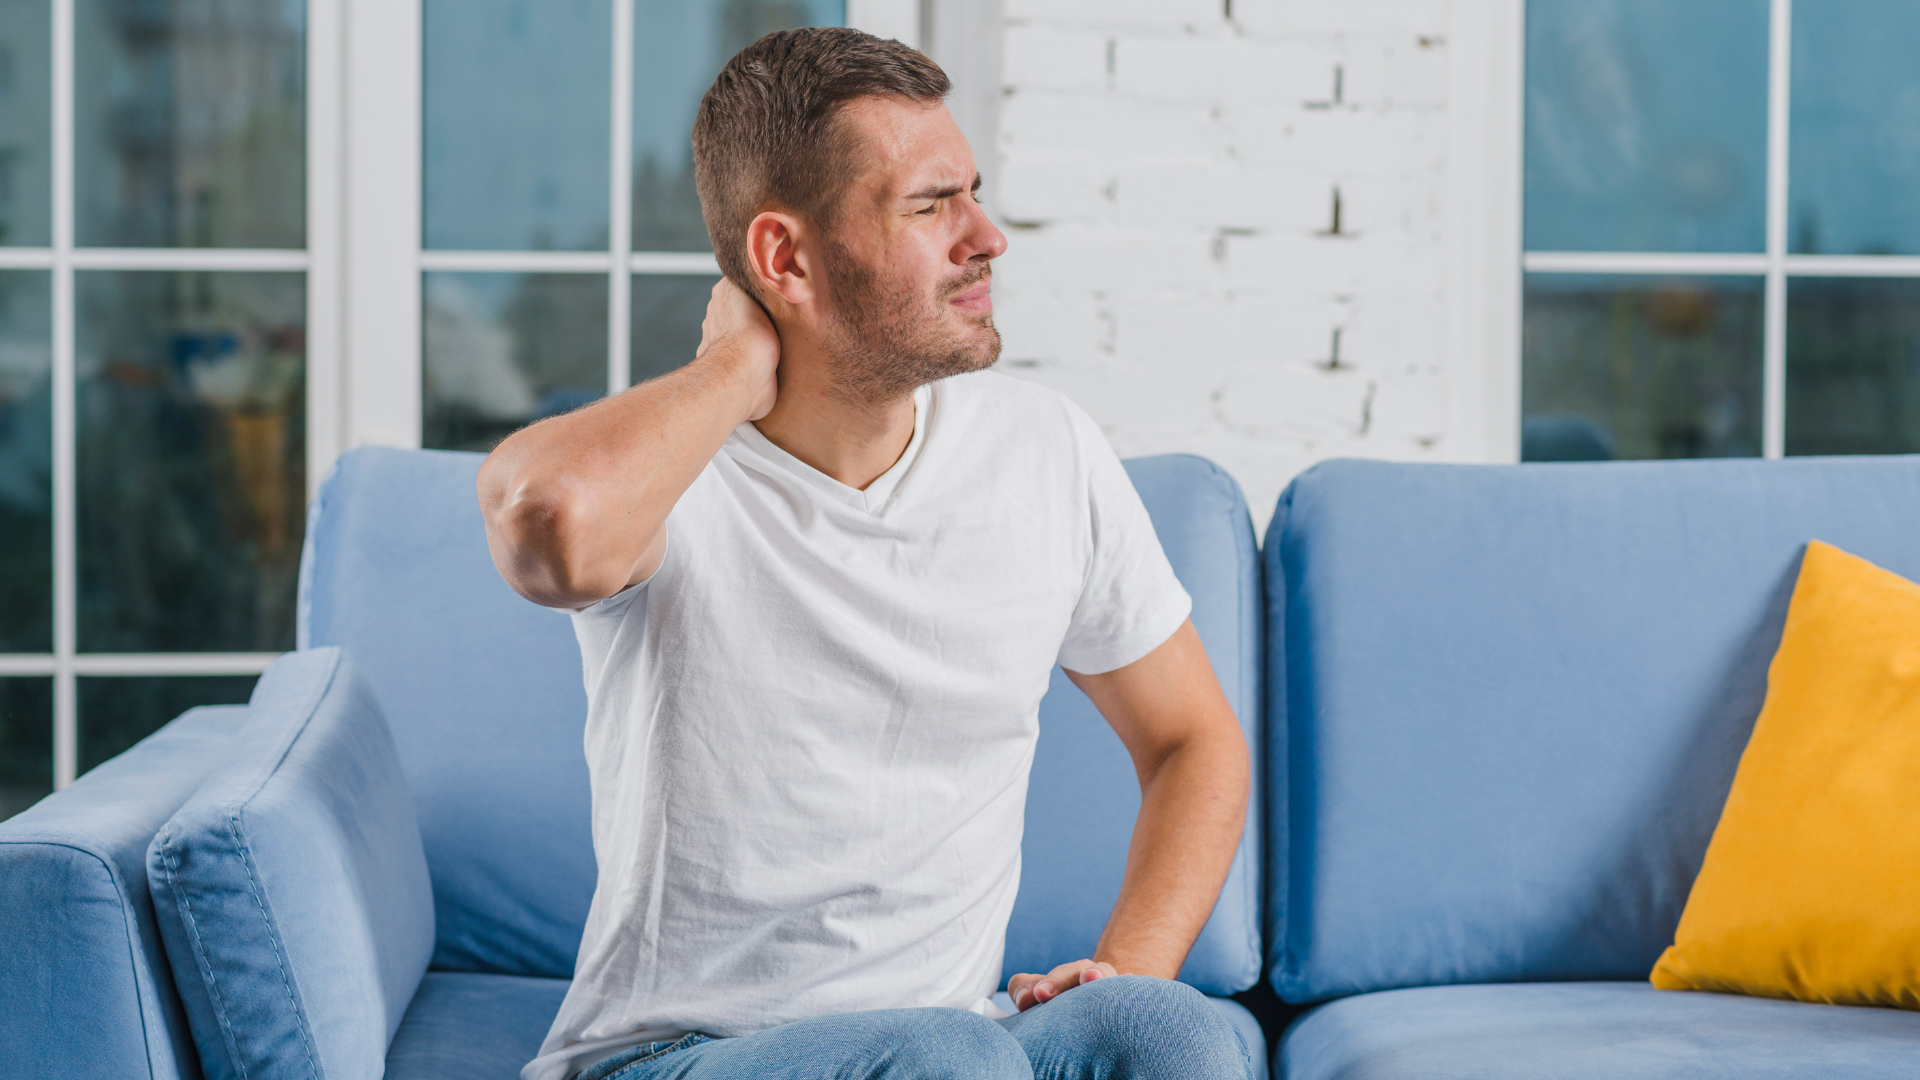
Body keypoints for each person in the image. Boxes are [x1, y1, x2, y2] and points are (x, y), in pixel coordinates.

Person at [478, 26, 1252, 1080]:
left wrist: (1127, 967)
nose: (986, 237)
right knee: (949, 1064)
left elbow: (1194, 741)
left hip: (957, 1042)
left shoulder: (1043, 448)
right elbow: (549, 526)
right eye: (931, 207)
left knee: (1172, 1033)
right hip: (678, 1055)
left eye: (971, 193)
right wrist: (731, 366)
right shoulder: (669, 481)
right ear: (784, 259)